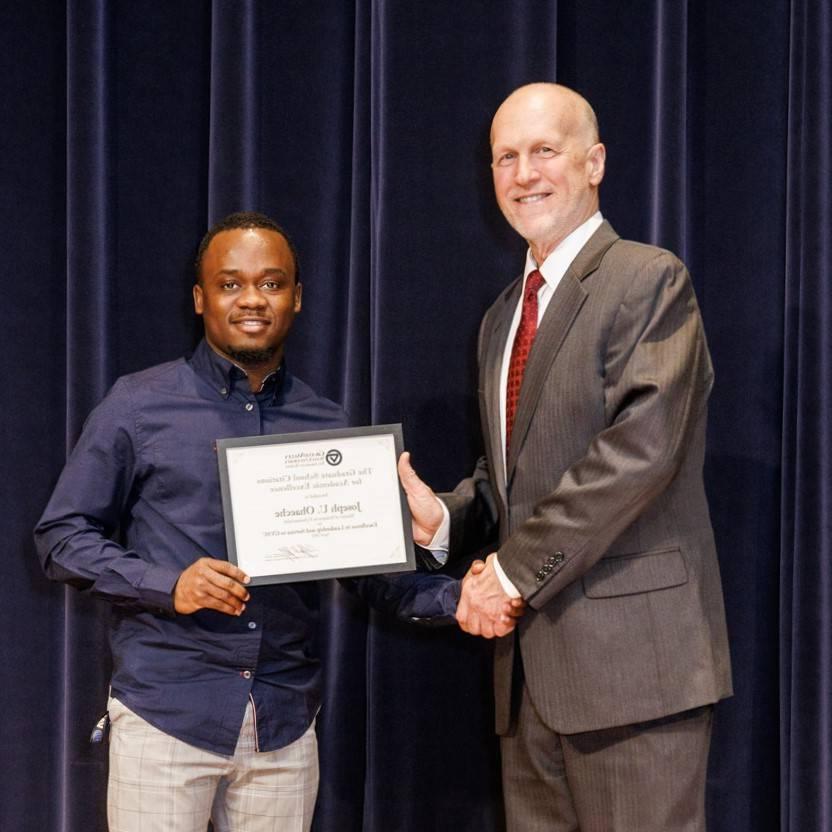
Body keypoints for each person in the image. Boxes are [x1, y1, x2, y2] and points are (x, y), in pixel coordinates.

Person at [35, 212, 470, 832]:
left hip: (284, 727)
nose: (251, 301)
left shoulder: (329, 424)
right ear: (200, 298)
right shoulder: (137, 403)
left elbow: (373, 576)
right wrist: (170, 585)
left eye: (270, 284)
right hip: (166, 715)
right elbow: (60, 539)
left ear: (296, 297)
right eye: (230, 284)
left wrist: (460, 597)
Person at [398, 83, 732, 831]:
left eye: (544, 151)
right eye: (505, 157)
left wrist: (508, 576)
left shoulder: (649, 280)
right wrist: (445, 522)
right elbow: (507, 479)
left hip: (635, 676)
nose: (524, 175)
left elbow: (639, 453)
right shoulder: (499, 318)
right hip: (528, 688)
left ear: (595, 162)